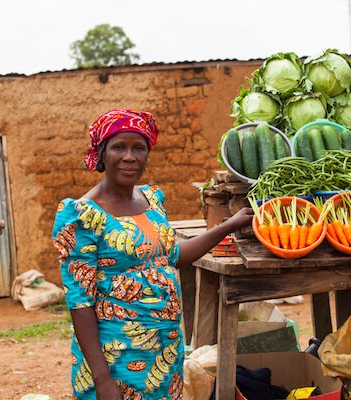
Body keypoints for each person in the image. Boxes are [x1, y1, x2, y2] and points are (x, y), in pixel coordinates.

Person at [52, 108, 253, 399]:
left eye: (139, 148)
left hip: (164, 351)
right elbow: (80, 303)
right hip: (116, 358)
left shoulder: (150, 200)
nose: (130, 156)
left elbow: (172, 256)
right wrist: (103, 380)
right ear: (101, 153)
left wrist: (229, 225)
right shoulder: (81, 215)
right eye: (119, 147)